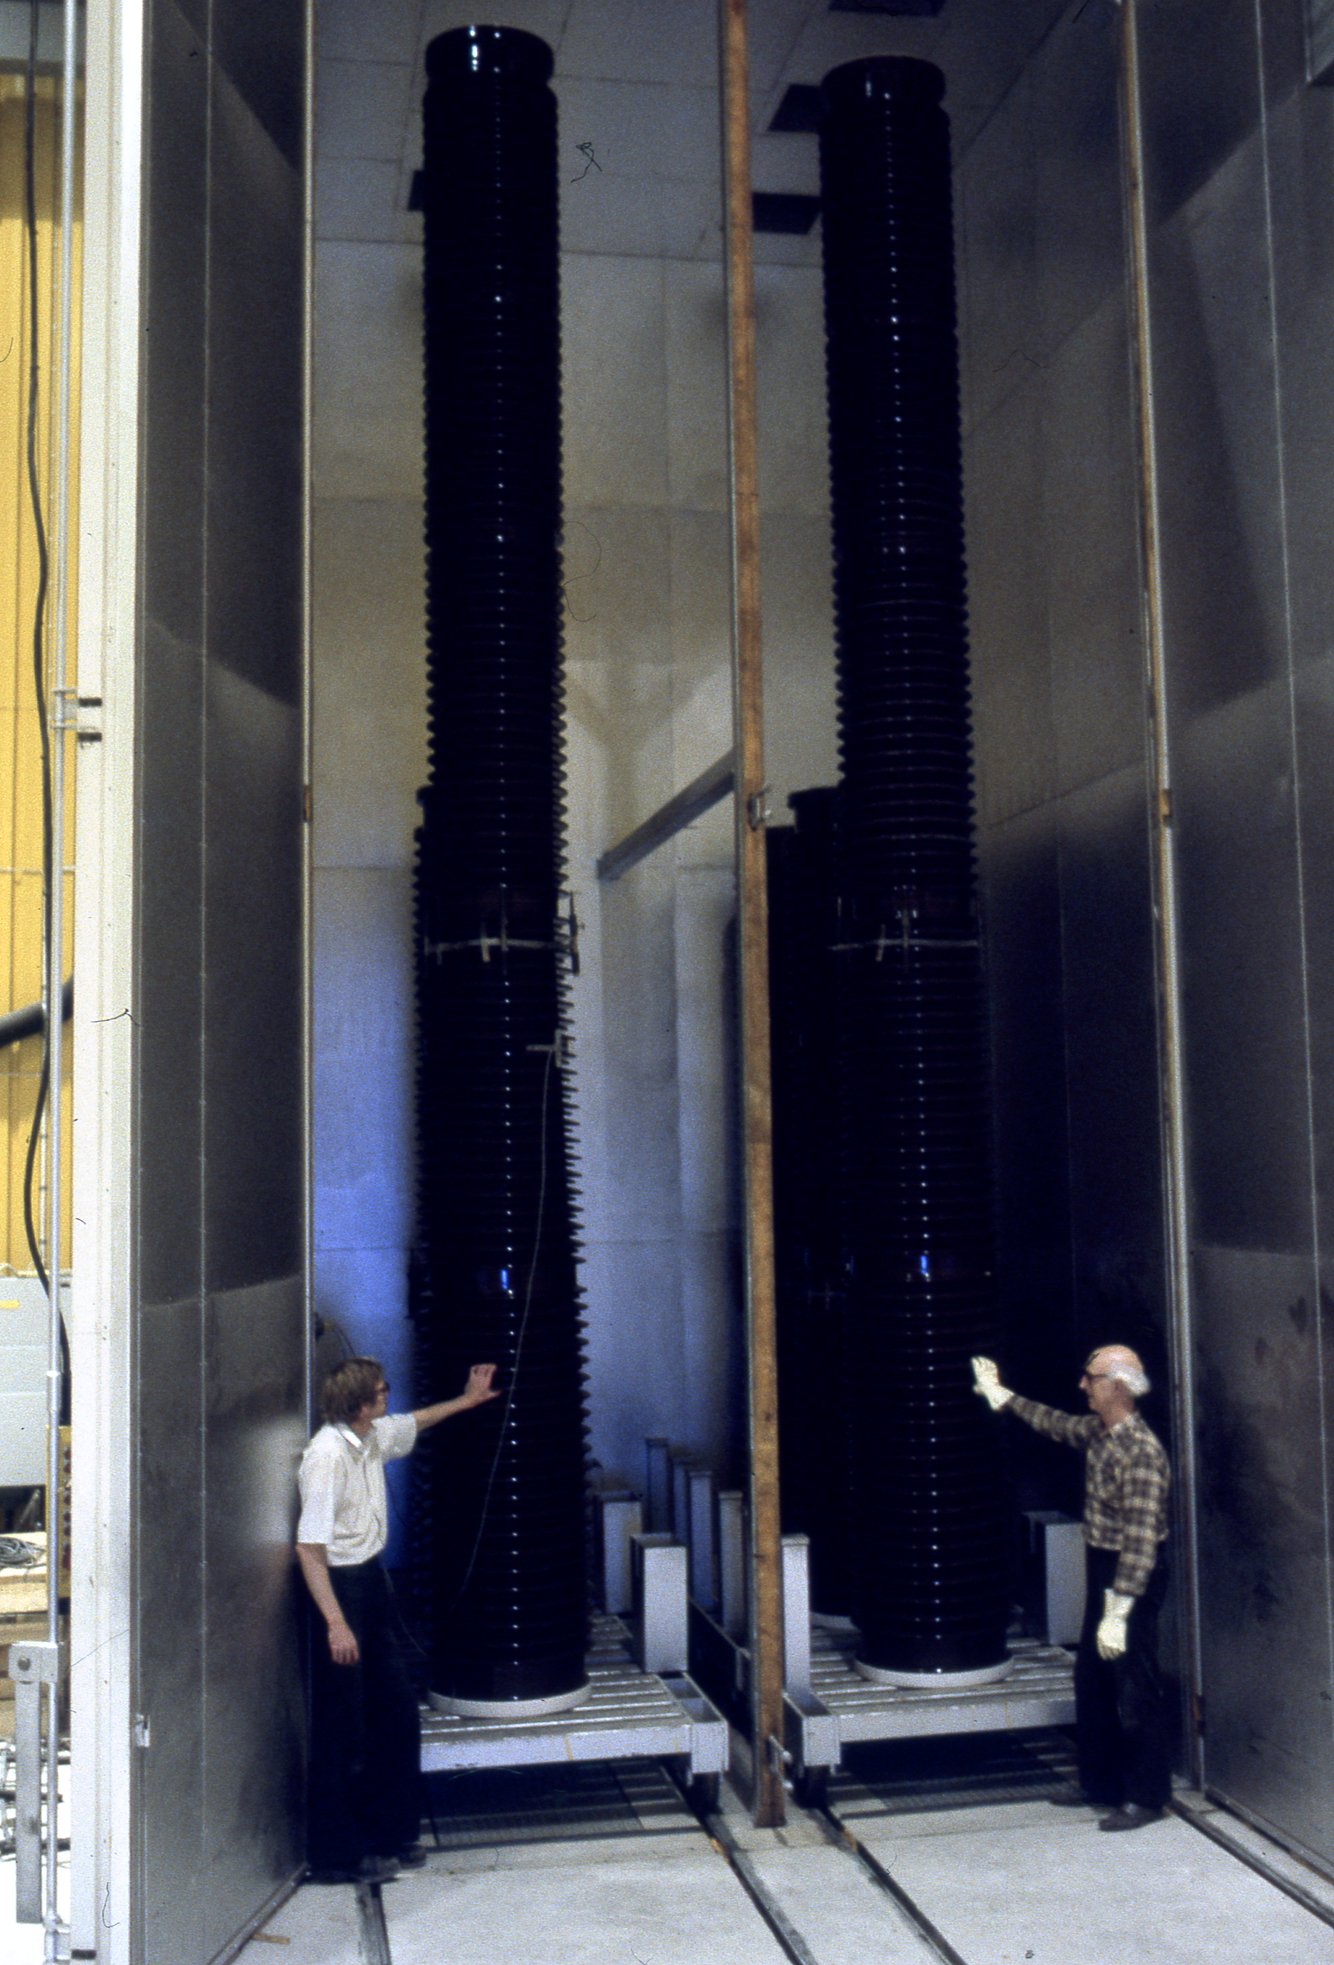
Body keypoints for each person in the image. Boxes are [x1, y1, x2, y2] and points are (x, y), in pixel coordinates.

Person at [296, 1353, 500, 1884]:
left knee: (396, 1714)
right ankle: (337, 1856)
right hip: (337, 1592)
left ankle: (391, 1835)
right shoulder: (327, 1458)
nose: (389, 1395)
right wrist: (337, 1624)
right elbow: (309, 1550)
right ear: (362, 1404)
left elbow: (416, 1421)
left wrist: (469, 1399)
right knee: (344, 1725)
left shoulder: (369, 1439)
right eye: (382, 1391)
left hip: (371, 1582)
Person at [971, 1346, 1171, 1832]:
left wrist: (1118, 1613)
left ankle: (1147, 1797)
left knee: (1135, 1685)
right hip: (1102, 1564)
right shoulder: (1100, 1434)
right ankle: (1099, 1784)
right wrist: (1001, 1396)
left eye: (1092, 1377)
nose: (1083, 1385)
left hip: (1131, 1576)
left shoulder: (1142, 1453)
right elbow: (1056, 1424)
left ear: (1119, 1386)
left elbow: (1142, 1543)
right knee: (1093, 1678)